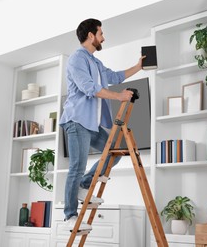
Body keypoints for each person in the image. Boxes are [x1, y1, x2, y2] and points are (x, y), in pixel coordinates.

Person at [59, 18, 145, 231]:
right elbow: (89, 88)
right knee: (76, 166)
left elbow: (114, 76)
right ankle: (70, 215)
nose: (103, 37)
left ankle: (85, 185)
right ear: (91, 36)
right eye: (101, 33)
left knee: (114, 152)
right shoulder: (77, 59)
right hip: (76, 121)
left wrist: (138, 66)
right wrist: (119, 97)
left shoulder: (95, 62)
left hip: (91, 124)